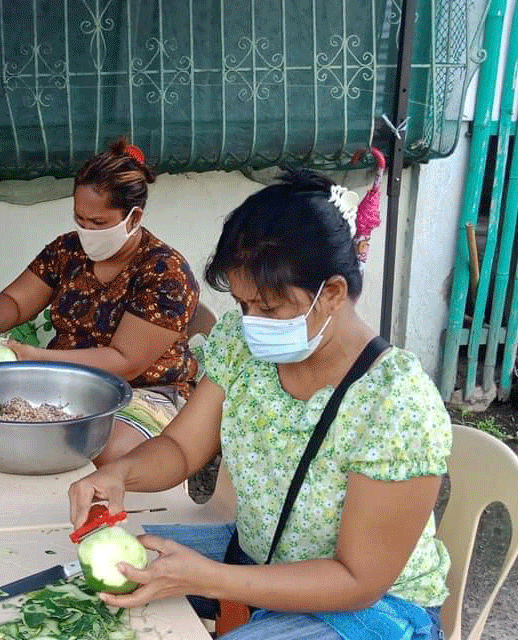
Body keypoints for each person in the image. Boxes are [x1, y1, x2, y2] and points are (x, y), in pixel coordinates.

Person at [67, 170, 451, 640]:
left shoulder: (396, 404)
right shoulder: (241, 347)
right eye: (243, 302)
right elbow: (182, 450)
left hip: (369, 609)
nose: (251, 322)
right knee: (88, 571)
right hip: (258, 556)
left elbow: (357, 582)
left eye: (269, 309)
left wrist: (205, 576)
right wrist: (119, 474)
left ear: (331, 294)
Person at [0, 138, 212, 466]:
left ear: (133, 218)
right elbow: (16, 300)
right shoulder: (68, 251)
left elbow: (125, 360)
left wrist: (39, 357)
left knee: (95, 450)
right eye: (80, 220)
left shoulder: (164, 272)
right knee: (3, 429)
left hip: (144, 392)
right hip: (65, 383)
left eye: (98, 224)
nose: (86, 231)